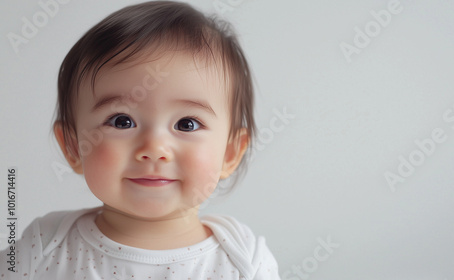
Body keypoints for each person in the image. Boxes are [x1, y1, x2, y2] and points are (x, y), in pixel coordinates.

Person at [0, 1, 280, 279]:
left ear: (230, 153)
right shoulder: (43, 248)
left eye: (187, 124)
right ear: (73, 147)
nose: (154, 149)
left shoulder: (244, 262)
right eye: (122, 121)